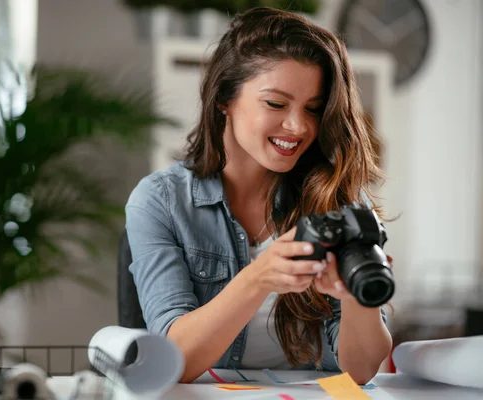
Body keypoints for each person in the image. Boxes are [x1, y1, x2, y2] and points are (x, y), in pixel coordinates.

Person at [125, 7, 393, 384]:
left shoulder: (340, 203)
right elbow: (174, 361)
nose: (298, 126)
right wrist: (259, 278)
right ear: (224, 99)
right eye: (276, 104)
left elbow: (362, 372)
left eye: (313, 109)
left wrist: (355, 298)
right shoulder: (160, 201)